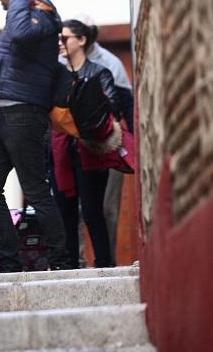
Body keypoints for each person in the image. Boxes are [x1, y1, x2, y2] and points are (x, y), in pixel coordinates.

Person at [0, 0, 70, 273]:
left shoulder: (40, 13)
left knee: (36, 190)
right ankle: (11, 262)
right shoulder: (27, 11)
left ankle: (60, 261)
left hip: (24, 115)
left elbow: (18, 34)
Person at [50, 19, 123, 268]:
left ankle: (104, 265)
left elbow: (112, 109)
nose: (60, 43)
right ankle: (69, 267)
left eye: (65, 38)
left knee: (93, 213)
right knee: (65, 215)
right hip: (60, 156)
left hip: (90, 152)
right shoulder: (56, 75)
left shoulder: (100, 72)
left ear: (81, 40)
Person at [72, 14, 134, 262]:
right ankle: (76, 262)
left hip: (107, 144)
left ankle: (106, 262)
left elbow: (127, 107)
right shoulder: (62, 61)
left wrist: (130, 145)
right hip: (73, 146)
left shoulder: (110, 64)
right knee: (73, 208)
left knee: (108, 208)